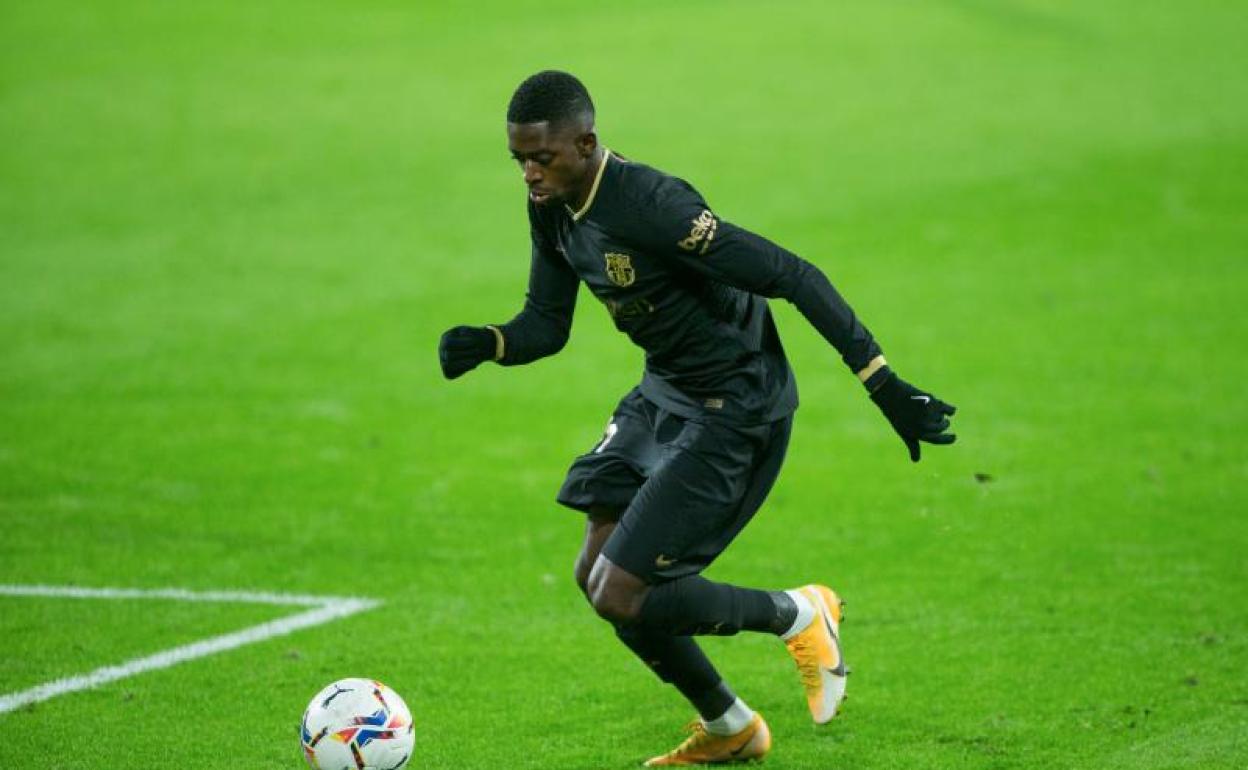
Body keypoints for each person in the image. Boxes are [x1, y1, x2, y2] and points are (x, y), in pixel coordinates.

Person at [438, 70, 957, 766]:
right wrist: (492, 343)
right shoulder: (552, 204)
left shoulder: (654, 206)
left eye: (542, 158)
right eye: (519, 160)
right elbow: (546, 323)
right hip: (665, 393)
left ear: (586, 144)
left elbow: (793, 275)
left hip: (738, 405)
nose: (529, 174)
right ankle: (731, 725)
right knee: (595, 573)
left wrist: (882, 383)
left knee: (623, 591)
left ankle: (800, 613)